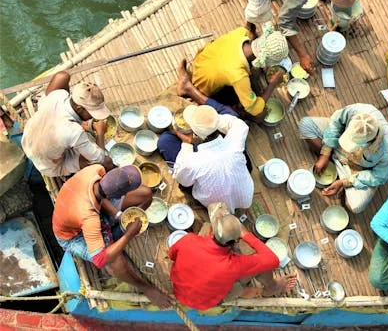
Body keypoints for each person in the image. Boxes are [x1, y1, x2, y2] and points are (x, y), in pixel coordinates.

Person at [52, 165, 172, 308]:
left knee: (146, 194)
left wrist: (119, 215)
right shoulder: (89, 219)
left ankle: (115, 227)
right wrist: (129, 234)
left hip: (86, 206)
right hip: (72, 235)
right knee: (115, 263)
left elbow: (101, 196)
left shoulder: (95, 170)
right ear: (117, 196)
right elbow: (100, 259)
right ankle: (145, 288)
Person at [169, 202, 297, 310]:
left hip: (179, 291)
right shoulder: (235, 264)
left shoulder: (189, 239)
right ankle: (270, 288)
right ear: (236, 241)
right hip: (205, 303)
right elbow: (272, 260)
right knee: (262, 267)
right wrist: (246, 234)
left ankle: (242, 290)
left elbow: (172, 255)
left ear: (212, 232)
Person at [158, 87, 254, 212]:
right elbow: (239, 125)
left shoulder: (191, 162)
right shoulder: (234, 142)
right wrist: (214, 120)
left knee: (165, 141)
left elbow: (184, 181)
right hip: (245, 198)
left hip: (215, 204)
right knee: (232, 115)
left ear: (195, 134)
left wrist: (186, 143)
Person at [299, 103, 388, 213]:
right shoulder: (358, 110)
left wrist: (346, 182)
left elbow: (378, 176)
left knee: (356, 206)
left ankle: (340, 176)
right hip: (336, 148)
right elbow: (336, 123)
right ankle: (332, 161)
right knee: (305, 124)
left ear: (369, 142)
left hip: (356, 169)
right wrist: (325, 153)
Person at [21, 71, 114, 178]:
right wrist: (100, 132)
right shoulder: (74, 132)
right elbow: (99, 158)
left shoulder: (59, 95)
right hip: (49, 164)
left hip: (29, 140)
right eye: (91, 112)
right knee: (106, 162)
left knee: (63, 76)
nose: (93, 117)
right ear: (79, 108)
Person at [189, 23, 287, 124]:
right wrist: (272, 84)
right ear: (264, 59)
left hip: (200, 63)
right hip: (201, 84)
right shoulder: (239, 76)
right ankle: (190, 90)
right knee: (260, 115)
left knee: (253, 74)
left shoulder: (241, 33)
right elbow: (254, 109)